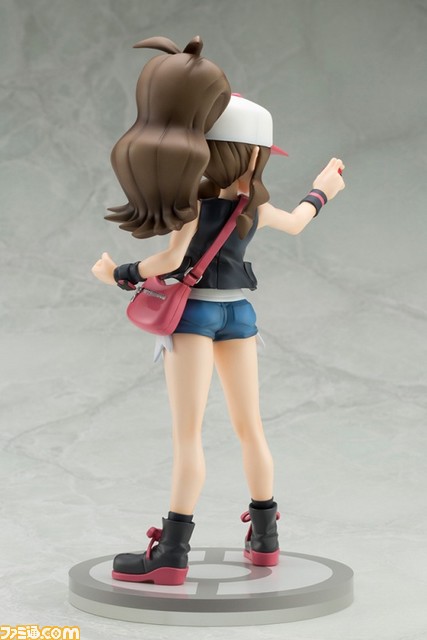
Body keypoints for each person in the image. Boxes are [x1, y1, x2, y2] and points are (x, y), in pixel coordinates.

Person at [91, 35, 345, 586]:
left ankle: (171, 553)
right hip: (240, 316)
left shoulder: (193, 205)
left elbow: (169, 261)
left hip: (194, 319)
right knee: (250, 428)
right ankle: (266, 539)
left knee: (189, 436)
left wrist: (119, 274)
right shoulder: (253, 206)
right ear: (253, 155)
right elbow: (297, 222)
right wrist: (322, 191)